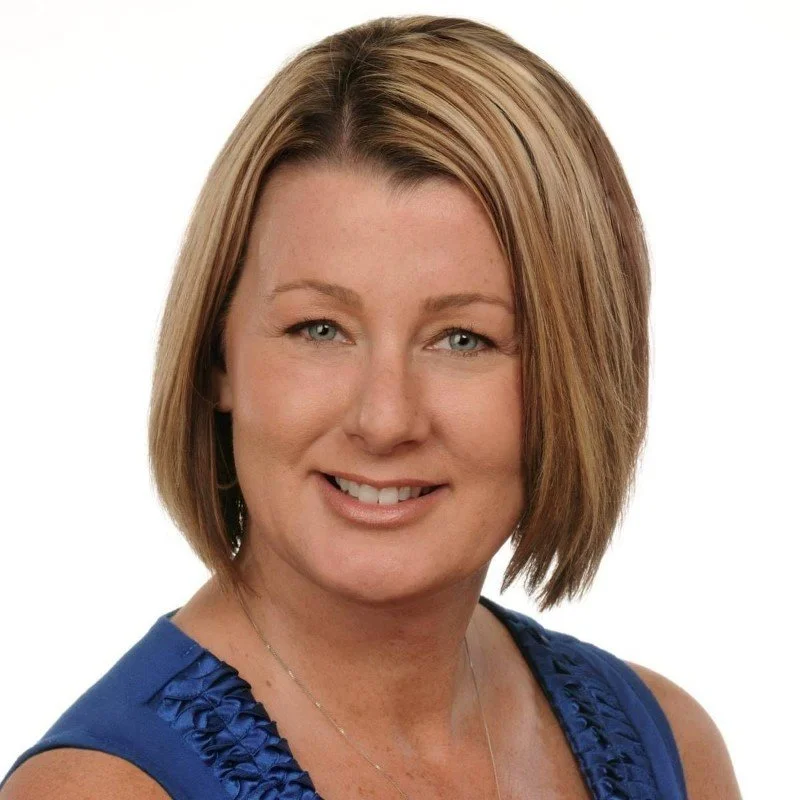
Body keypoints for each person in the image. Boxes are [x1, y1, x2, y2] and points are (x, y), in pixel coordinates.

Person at [0, 14, 741, 800]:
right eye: (319, 329)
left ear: (576, 376)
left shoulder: (677, 753)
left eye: (462, 339)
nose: (385, 420)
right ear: (218, 358)